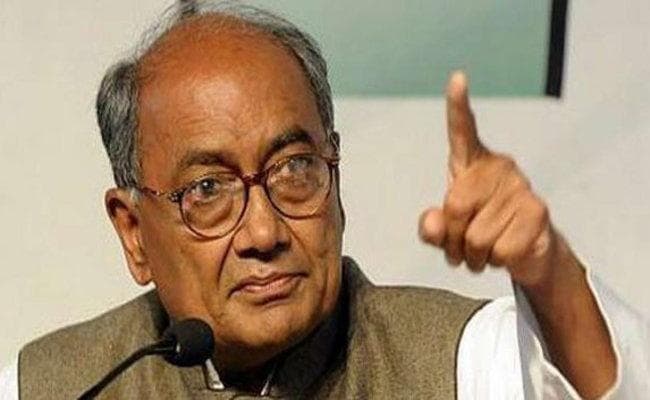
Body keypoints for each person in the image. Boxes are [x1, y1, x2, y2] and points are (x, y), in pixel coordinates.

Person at [1, 2, 648, 399]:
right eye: (208, 190)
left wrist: (548, 269)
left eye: (294, 169)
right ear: (134, 233)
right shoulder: (51, 386)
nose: (264, 233)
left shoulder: (459, 360)